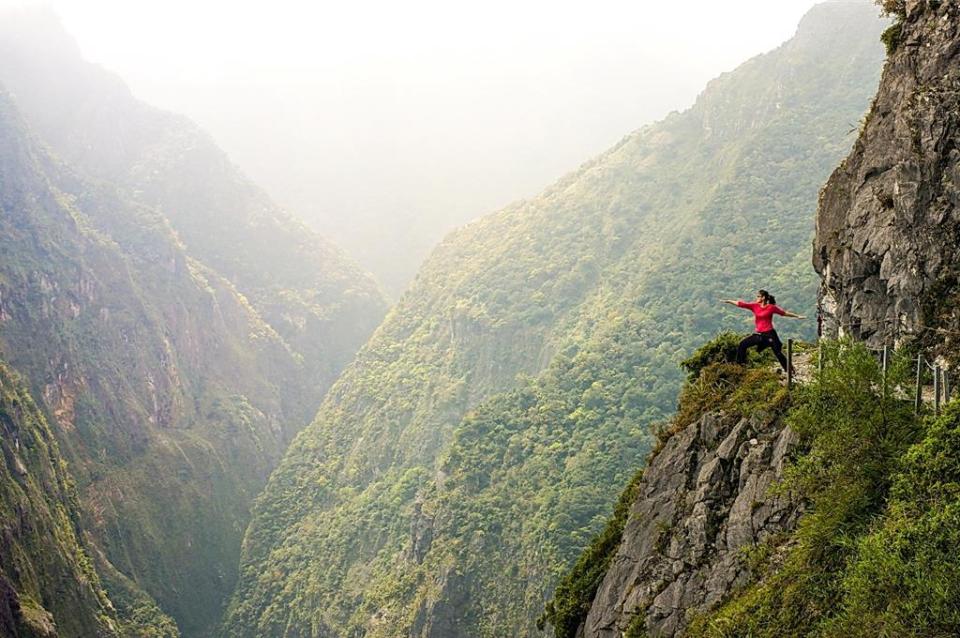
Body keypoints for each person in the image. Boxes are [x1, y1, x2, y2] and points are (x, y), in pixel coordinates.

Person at [720, 290, 805, 372]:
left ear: (763, 298)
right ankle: (741, 366)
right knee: (742, 345)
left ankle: (790, 370)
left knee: (778, 353)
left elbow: (784, 313)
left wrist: (797, 316)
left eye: (758, 296)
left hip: (770, 334)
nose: (756, 298)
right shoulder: (755, 306)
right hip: (760, 335)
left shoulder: (771, 307)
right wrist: (728, 301)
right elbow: (741, 304)